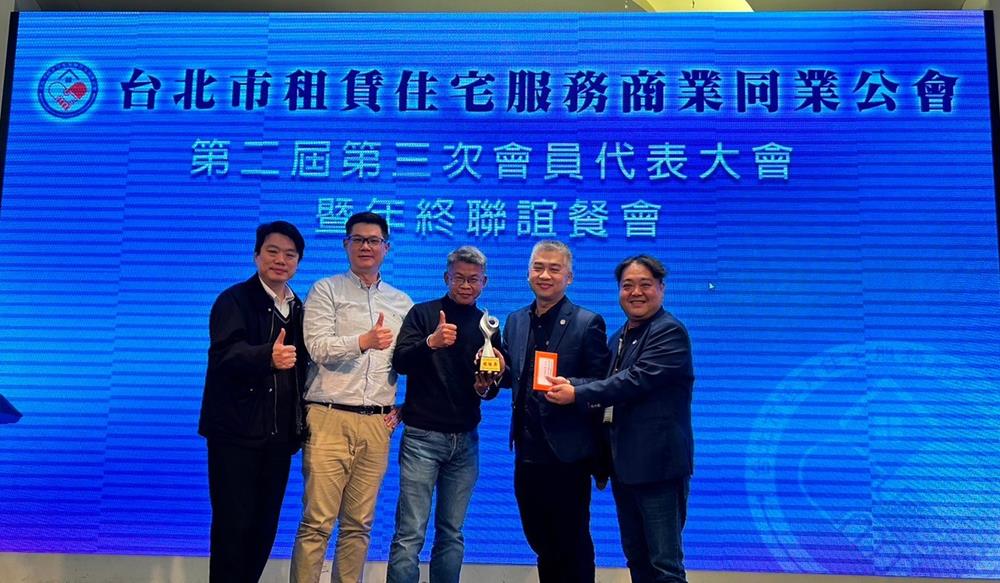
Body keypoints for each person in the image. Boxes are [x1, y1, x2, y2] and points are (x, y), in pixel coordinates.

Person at [546, 255, 694, 583]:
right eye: (628, 286)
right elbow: (606, 380)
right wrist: (570, 383)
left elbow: (632, 381)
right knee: (637, 559)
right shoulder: (620, 336)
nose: (636, 292)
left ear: (661, 288)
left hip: (658, 468)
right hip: (624, 468)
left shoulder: (669, 332)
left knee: (665, 565)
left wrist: (576, 393)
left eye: (645, 285)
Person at [290, 212, 413, 583]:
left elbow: (411, 361)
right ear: (346, 245)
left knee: (359, 525)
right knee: (317, 522)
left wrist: (406, 407)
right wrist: (363, 341)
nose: (366, 246)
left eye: (374, 240)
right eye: (358, 239)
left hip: (377, 423)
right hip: (328, 416)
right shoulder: (325, 290)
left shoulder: (401, 302)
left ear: (386, 248)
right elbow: (317, 347)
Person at [385, 245, 506, 583]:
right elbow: (401, 362)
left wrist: (487, 385)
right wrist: (431, 343)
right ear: (446, 278)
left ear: (484, 282)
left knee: (452, 533)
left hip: (466, 441)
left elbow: (494, 384)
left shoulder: (489, 325)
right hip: (421, 439)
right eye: (459, 278)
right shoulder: (423, 314)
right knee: (410, 532)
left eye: (473, 279)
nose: (466, 286)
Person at [199, 220, 309, 583]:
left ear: (298, 262)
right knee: (233, 527)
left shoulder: (299, 307)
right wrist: (267, 357)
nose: (280, 260)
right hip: (235, 435)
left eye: (289, 255)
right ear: (256, 255)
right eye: (272, 252)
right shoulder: (233, 300)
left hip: (278, 439)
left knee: (264, 528)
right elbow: (224, 354)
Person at [499, 240, 611, 583]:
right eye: (538, 267)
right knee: (541, 540)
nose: (544, 275)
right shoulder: (515, 321)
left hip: (567, 454)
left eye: (554, 269)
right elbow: (510, 375)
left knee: (572, 542)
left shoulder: (587, 322)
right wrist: (488, 375)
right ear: (528, 273)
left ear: (569, 277)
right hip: (527, 452)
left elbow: (602, 381)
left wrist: (572, 389)